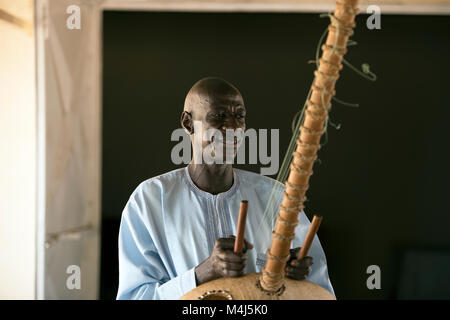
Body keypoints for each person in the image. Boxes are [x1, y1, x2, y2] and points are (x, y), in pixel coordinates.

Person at [116, 77, 334, 299]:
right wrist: (203, 273)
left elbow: (321, 292)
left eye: (239, 116)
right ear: (188, 123)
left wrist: (292, 279)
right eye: (219, 116)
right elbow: (134, 296)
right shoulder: (150, 201)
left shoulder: (277, 197)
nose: (232, 127)